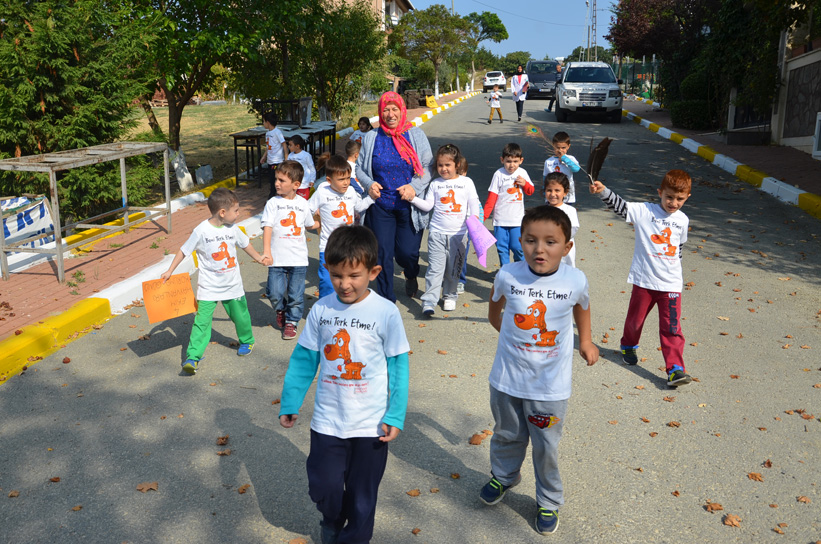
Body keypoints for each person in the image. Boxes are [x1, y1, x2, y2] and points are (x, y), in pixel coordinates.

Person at [279, 225, 410, 544]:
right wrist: (290, 401)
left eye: (353, 276)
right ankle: (332, 517)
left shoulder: (386, 312)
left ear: (373, 271)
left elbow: (398, 366)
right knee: (323, 485)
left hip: (371, 426)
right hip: (328, 422)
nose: (344, 284)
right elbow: (304, 359)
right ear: (327, 270)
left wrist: (395, 414)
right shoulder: (322, 310)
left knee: (363, 499)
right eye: (337, 275)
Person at [479, 205, 598, 535]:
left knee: (545, 445)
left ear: (567, 247)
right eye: (531, 240)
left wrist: (585, 341)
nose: (539, 249)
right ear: (521, 241)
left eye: (550, 242)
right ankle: (504, 476)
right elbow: (495, 309)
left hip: (550, 386)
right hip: (506, 379)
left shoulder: (575, 280)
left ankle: (548, 499)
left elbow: (582, 308)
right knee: (507, 433)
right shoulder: (508, 275)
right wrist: (509, 338)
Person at [590, 170, 693, 387]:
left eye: (679, 199)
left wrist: (677, 272)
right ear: (660, 193)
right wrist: (603, 191)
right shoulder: (646, 211)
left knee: (672, 327)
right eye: (669, 197)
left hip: (671, 283)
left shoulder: (682, 220)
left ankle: (675, 369)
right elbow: (621, 206)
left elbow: (678, 249)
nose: (673, 203)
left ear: (687, 197)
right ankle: (628, 345)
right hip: (644, 281)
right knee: (635, 321)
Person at [160, 188, 266, 375]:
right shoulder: (201, 231)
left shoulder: (233, 229)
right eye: (236, 210)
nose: (238, 213)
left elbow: (246, 244)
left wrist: (259, 258)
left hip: (232, 285)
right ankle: (193, 357)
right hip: (208, 287)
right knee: (201, 322)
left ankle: (247, 340)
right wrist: (170, 270)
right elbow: (184, 250)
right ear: (222, 213)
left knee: (240, 316)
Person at [356, 91, 434, 302]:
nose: (390, 114)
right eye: (386, 110)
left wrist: (414, 187)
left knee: (407, 253)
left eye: (394, 109)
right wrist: (369, 183)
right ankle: (386, 299)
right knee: (382, 254)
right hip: (381, 205)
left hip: (408, 206)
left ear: (402, 111)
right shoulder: (372, 136)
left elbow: (428, 167)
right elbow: (360, 169)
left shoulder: (415, 135)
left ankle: (410, 273)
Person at [409, 144, 480, 317]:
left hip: (459, 235)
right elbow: (427, 206)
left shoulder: (466, 183)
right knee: (434, 268)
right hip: (437, 234)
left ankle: (450, 295)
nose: (443, 169)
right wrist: (412, 199)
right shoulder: (435, 184)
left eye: (448, 165)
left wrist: (474, 221)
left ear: (457, 165)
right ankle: (429, 300)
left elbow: (474, 205)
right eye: (440, 165)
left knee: (453, 268)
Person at [260, 160, 317, 340]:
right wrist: (266, 251)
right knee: (274, 292)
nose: (277, 183)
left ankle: (292, 321)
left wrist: (326, 220)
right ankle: (280, 309)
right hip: (276, 258)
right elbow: (267, 227)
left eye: (282, 180)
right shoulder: (272, 203)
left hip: (298, 259)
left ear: (296, 185)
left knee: (296, 295)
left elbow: (309, 225)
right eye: (277, 179)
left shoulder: (303, 204)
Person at [310, 155, 373, 298]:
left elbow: (360, 206)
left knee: (347, 281)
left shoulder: (351, 192)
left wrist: (371, 199)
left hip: (349, 247)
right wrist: (312, 223)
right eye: (341, 179)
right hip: (328, 246)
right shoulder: (322, 192)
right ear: (329, 180)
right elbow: (308, 209)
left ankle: (345, 308)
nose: (345, 183)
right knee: (327, 281)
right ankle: (325, 309)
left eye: (348, 178)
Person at [483, 142, 534, 265]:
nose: (512, 165)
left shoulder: (523, 173)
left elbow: (531, 191)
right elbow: (491, 198)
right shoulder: (499, 174)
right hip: (500, 221)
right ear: (502, 160)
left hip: (517, 221)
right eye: (508, 161)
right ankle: (505, 273)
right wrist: (482, 217)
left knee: (518, 248)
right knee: (502, 249)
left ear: (521, 160)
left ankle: (519, 270)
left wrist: (524, 184)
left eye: (515, 161)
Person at [544, 172, 579, 267]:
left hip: (565, 247)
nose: (553, 194)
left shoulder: (570, 211)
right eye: (549, 190)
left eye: (557, 190)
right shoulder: (542, 211)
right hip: (547, 248)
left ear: (565, 192)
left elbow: (573, 228)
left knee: (566, 271)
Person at [542, 131, 580, 204]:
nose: (560, 150)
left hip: (567, 196)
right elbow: (545, 178)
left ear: (568, 146)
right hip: (552, 196)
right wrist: (545, 192)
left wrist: (565, 159)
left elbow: (576, 169)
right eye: (557, 147)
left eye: (563, 148)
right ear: (553, 146)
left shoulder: (570, 159)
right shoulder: (548, 161)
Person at [259, 112, 288, 199]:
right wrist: (264, 156)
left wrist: (286, 158)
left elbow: (284, 144)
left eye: (264, 121)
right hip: (270, 160)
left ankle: (274, 195)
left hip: (277, 161)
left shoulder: (277, 132)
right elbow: (268, 147)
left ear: (268, 122)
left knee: (276, 179)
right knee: (271, 179)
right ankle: (274, 195)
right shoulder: (268, 134)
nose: (263, 124)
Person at [456, 155, 470, 295]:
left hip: (465, 227)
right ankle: (449, 277)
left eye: (462, 172)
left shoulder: (468, 184)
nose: (460, 175)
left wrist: (477, 222)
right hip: (450, 225)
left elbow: (475, 204)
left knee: (462, 255)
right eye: (457, 172)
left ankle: (460, 280)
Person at [286, 135, 316, 199]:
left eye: (290, 145)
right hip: (293, 183)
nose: (289, 147)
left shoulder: (306, 156)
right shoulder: (290, 156)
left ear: (297, 146)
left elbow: (311, 168)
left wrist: (312, 180)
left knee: (303, 202)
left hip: (304, 184)